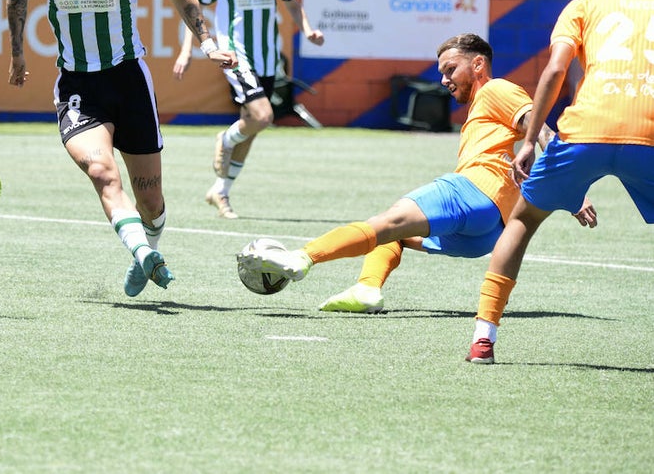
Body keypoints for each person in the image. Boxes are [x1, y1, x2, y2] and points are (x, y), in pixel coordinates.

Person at [236, 33, 594, 314]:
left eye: (450, 69)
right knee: (397, 235)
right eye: (441, 72)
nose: (444, 79)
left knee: (387, 221)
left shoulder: (498, 89)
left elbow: (542, 132)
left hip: (473, 191)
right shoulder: (482, 104)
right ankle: (366, 289)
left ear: (479, 64)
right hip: (485, 234)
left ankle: (302, 257)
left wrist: (573, 192)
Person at [6, 0, 236, 297]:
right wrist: (18, 55)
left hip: (129, 82)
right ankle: (143, 254)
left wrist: (208, 44)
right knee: (101, 172)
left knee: (151, 201)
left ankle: (148, 247)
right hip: (78, 86)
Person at [467, 0, 654, 364]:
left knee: (523, 220)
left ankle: (483, 337)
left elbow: (554, 72)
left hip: (583, 131)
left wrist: (531, 140)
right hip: (647, 134)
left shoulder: (582, 6)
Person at [173, 0, 324, 219]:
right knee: (263, 116)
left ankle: (221, 191)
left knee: (252, 127)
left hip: (268, 59)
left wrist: (307, 29)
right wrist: (188, 50)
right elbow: (195, 10)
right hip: (235, 55)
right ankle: (224, 138)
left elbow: (292, 4)